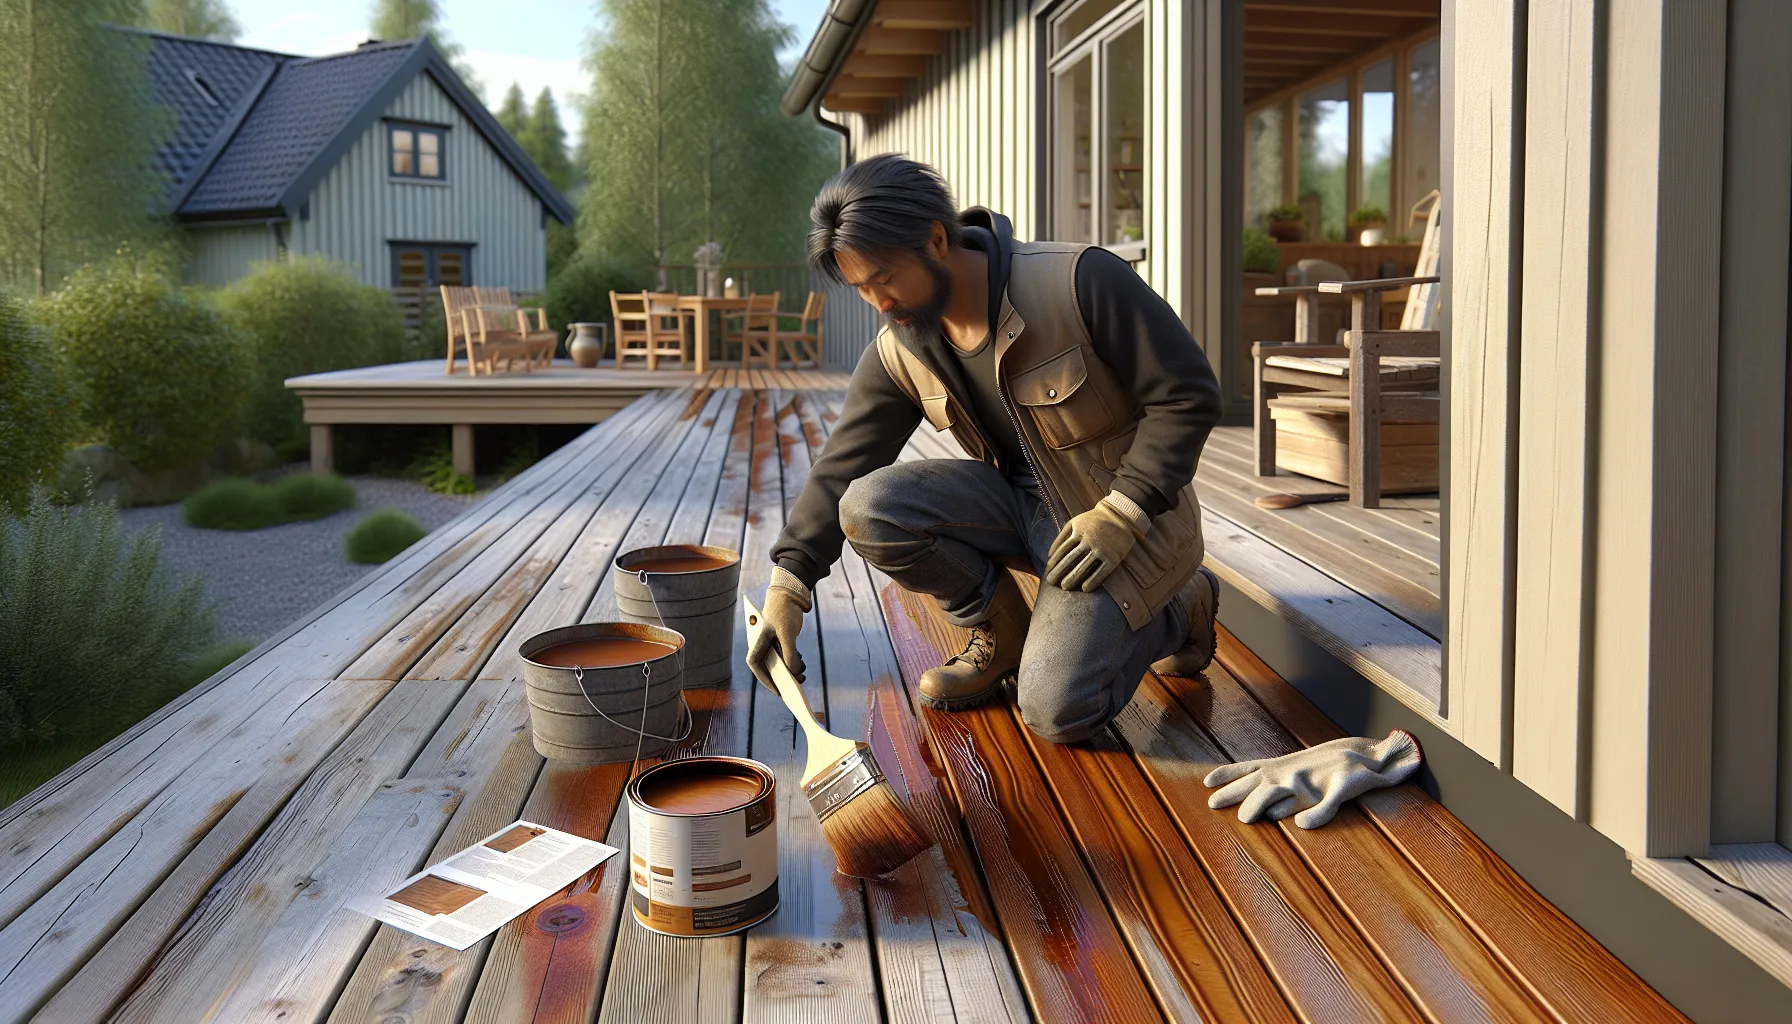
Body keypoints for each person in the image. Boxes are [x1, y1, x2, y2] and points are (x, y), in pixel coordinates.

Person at [746, 154, 1222, 744]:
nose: (878, 302)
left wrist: (1124, 510)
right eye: (861, 287)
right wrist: (789, 585)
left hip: (1126, 525)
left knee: (1056, 713)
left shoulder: (1076, 283)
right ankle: (1001, 631)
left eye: (885, 277)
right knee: (868, 505)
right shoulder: (902, 346)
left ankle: (1183, 608)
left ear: (937, 239)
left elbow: (1189, 397)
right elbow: (843, 466)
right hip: (1024, 512)